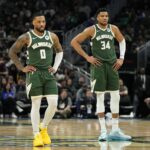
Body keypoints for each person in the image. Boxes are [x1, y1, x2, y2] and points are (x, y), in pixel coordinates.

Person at [71, 8, 131, 141]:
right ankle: (103, 131)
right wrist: (87, 57)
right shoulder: (91, 30)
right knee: (100, 97)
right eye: (102, 16)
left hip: (112, 65)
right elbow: (74, 42)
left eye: (107, 16)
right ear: (97, 18)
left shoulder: (113, 29)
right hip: (98, 66)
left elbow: (122, 41)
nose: (105, 18)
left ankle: (115, 130)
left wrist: (121, 57)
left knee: (116, 96)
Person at [9, 12, 63, 147]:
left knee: (53, 103)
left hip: (48, 73)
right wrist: (22, 68)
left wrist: (55, 67)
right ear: (33, 22)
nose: (41, 24)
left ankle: (43, 127)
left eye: (43, 21)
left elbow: (60, 51)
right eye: (39, 22)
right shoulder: (26, 37)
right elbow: (12, 52)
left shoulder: (52, 36)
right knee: (36, 104)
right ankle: (36, 135)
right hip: (34, 74)